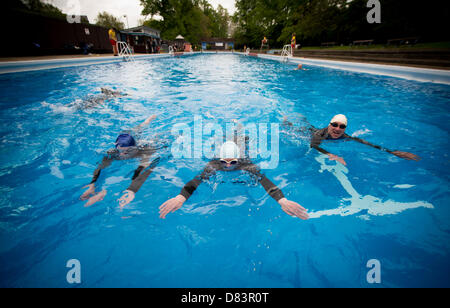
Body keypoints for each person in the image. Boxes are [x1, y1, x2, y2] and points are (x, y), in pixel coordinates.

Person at [159, 124, 309, 220]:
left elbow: (265, 181)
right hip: (222, 149)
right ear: (220, 159)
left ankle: (239, 128)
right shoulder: (214, 164)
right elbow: (196, 181)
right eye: (224, 162)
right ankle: (229, 133)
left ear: (238, 160)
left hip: (241, 150)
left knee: (242, 139)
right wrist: (180, 197)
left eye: (233, 162)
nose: (229, 166)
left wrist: (282, 200)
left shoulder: (246, 164)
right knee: (221, 141)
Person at [80, 115, 160, 208]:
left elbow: (143, 170)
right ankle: (146, 122)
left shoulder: (144, 152)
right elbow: (101, 167)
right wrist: (93, 183)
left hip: (142, 144)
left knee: (146, 133)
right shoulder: (114, 153)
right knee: (134, 131)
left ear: (134, 149)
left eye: (127, 151)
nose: (122, 154)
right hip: (130, 138)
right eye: (120, 151)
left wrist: (131, 189)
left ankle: (147, 121)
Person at [284, 114, 420, 166]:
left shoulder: (345, 136)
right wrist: (332, 155)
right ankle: (288, 122)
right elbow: (314, 146)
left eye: (342, 126)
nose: (338, 129)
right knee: (296, 130)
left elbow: (365, 143)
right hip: (310, 133)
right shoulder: (320, 134)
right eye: (335, 125)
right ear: (329, 124)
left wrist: (392, 152)